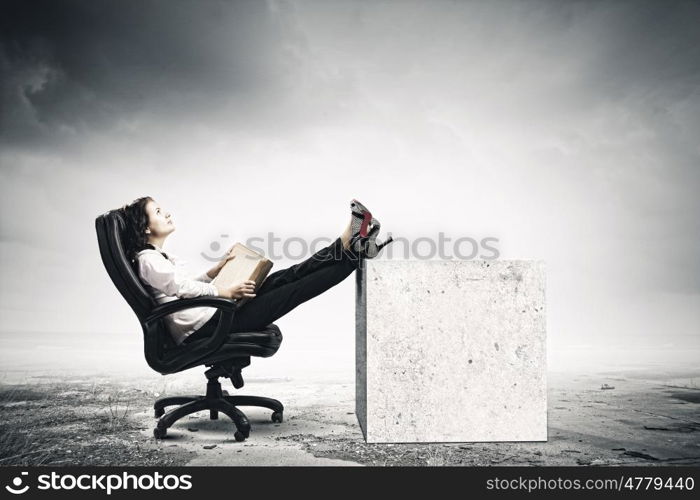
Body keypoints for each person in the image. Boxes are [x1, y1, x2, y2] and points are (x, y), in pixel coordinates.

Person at [119, 196, 392, 345]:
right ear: (145, 228)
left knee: (285, 277)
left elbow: (179, 287)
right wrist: (224, 290)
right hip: (207, 328)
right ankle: (355, 252)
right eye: (158, 211)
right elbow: (180, 289)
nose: (166, 214)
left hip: (213, 315)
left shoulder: (156, 258)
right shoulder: (148, 260)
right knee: (293, 290)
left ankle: (348, 243)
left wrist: (214, 272)